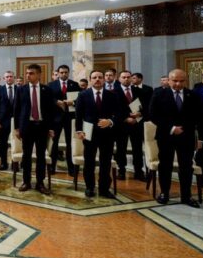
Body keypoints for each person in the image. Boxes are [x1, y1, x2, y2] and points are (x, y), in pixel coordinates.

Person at [149, 69, 200, 208]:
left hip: (186, 136)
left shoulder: (192, 95)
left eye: (181, 81)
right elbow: (153, 115)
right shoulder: (159, 94)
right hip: (166, 136)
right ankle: (164, 193)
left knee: (186, 166)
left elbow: (197, 115)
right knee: (165, 165)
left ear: (186, 81)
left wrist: (184, 128)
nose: (178, 84)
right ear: (169, 80)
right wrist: (172, 128)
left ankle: (186, 196)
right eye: (175, 81)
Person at [75, 70, 121, 198]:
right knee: (89, 162)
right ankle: (89, 187)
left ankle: (104, 189)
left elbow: (119, 113)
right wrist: (79, 130)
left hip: (107, 134)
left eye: (100, 77)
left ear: (104, 79)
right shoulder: (83, 95)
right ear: (90, 80)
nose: (97, 79)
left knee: (105, 162)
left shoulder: (112, 95)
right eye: (94, 77)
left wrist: (110, 121)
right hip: (89, 133)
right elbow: (78, 115)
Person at [13, 64, 56, 195]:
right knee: (26, 155)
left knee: (41, 156)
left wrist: (51, 127)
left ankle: (40, 183)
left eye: (31, 73)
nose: (28, 75)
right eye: (27, 73)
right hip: (27, 127)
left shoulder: (46, 90)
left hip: (42, 127)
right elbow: (16, 110)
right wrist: (16, 128)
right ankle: (26, 181)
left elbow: (51, 110)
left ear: (38, 74)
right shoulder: (21, 89)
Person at [47, 64, 80, 176]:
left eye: (66, 72)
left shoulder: (74, 84)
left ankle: (71, 168)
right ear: (58, 73)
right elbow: (47, 98)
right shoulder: (51, 85)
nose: (64, 74)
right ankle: (52, 167)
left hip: (70, 118)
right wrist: (56, 102)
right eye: (62, 72)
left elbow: (81, 98)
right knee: (54, 143)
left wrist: (73, 102)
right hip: (56, 118)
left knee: (70, 143)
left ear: (68, 73)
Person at [114, 70, 145, 180]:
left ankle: (139, 171)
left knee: (138, 148)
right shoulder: (114, 92)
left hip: (136, 124)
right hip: (121, 124)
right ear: (119, 79)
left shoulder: (138, 91)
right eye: (124, 77)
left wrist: (139, 114)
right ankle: (121, 170)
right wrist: (126, 118)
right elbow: (113, 109)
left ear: (131, 78)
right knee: (121, 148)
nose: (126, 79)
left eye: (128, 77)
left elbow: (145, 106)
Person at [0, 71, 16, 171]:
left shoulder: (19, 89)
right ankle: (3, 163)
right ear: (4, 78)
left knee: (17, 142)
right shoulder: (0, 90)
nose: (9, 78)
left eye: (11, 76)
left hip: (16, 120)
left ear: (14, 78)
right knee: (3, 143)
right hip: (3, 120)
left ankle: (15, 164)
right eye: (7, 77)